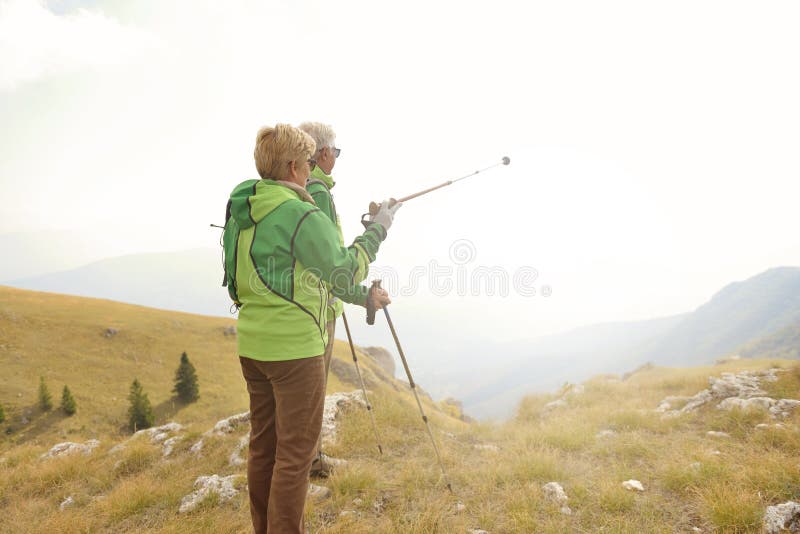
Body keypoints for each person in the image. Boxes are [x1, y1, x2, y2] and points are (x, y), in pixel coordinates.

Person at [222, 124, 400, 534]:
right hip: (294, 349)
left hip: (252, 344)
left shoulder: (245, 207)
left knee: (263, 447)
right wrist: (378, 231)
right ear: (292, 166)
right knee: (295, 456)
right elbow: (342, 270)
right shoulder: (298, 211)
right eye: (305, 163)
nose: (309, 171)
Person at [297, 121, 358, 477]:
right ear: (322, 154)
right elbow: (328, 258)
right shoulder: (317, 191)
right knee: (313, 389)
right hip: (319, 304)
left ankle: (306, 458)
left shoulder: (299, 187)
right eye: (335, 151)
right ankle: (312, 462)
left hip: (303, 301)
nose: (336, 157)